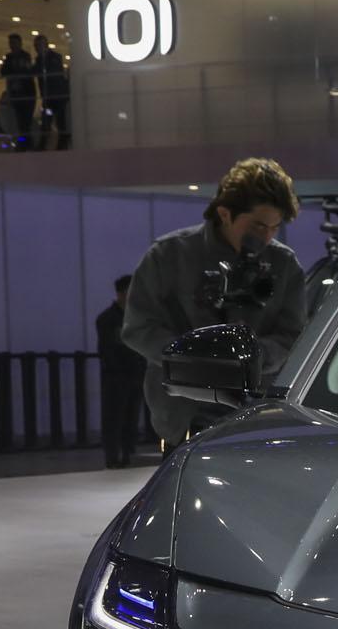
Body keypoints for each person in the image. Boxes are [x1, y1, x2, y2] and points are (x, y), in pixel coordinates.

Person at [120, 157, 309, 449]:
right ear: (224, 213)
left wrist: (250, 360)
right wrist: (194, 361)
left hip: (258, 417)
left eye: (274, 227)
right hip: (183, 415)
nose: (266, 237)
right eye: (258, 226)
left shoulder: (284, 264)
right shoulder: (169, 255)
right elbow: (138, 328)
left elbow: (292, 337)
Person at [95, 274, 146, 467]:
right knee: (114, 418)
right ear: (121, 293)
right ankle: (113, 456)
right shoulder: (107, 319)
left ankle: (127, 453)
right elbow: (107, 350)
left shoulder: (135, 318)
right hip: (116, 376)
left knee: (130, 417)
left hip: (133, 374)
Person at [0, 33, 37, 147]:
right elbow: (3, 72)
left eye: (14, 43)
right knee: (21, 122)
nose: (12, 45)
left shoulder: (25, 56)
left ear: (19, 43)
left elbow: (25, 71)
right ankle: (25, 143)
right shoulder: (9, 57)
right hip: (16, 94)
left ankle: (25, 143)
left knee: (26, 121)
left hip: (26, 94)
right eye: (11, 43)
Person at [33, 33, 69, 150]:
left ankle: (60, 143)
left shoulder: (55, 57)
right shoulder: (39, 60)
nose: (38, 48)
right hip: (48, 97)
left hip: (57, 96)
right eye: (37, 46)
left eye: (39, 45)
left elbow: (54, 73)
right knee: (47, 121)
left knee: (59, 120)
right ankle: (45, 144)